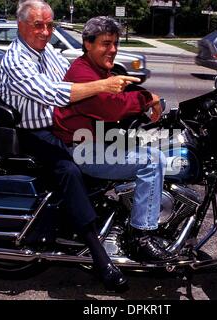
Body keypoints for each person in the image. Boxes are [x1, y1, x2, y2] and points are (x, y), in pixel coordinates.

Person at [0, 0, 137, 291]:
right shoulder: (16, 59)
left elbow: (74, 73)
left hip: (57, 127)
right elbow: (51, 92)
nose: (46, 31)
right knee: (69, 170)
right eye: (38, 25)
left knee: (120, 143)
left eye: (50, 24)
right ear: (20, 24)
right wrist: (101, 86)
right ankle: (100, 259)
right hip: (31, 134)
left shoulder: (46, 50)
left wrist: (127, 90)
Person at [53, 16, 175, 263]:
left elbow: (121, 93)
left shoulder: (99, 69)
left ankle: (124, 215)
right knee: (152, 161)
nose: (113, 50)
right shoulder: (82, 72)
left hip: (94, 143)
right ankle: (143, 236)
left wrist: (144, 97)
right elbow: (109, 108)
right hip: (82, 150)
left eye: (115, 44)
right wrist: (145, 99)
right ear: (88, 44)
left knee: (152, 146)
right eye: (105, 43)